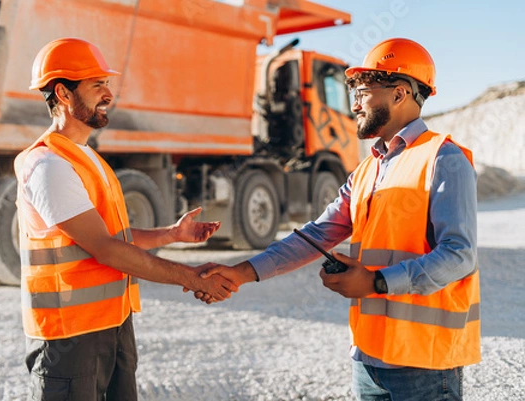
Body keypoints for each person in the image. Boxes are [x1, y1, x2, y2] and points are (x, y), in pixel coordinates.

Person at [200, 38, 480, 400]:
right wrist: (242, 273)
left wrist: (377, 282)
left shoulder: (444, 158)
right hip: (368, 358)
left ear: (399, 94)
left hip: (424, 364)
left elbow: (459, 254)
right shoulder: (368, 169)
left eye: (363, 91)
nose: (355, 104)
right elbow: (316, 234)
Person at [14, 37, 237, 401]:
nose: (108, 94)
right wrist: (193, 278)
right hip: (68, 337)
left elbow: (112, 235)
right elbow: (106, 250)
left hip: (112, 324)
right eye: (97, 85)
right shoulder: (49, 165)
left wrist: (171, 233)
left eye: (107, 84)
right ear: (64, 94)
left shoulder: (87, 159)